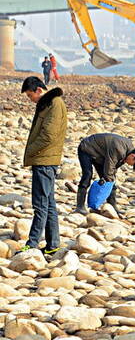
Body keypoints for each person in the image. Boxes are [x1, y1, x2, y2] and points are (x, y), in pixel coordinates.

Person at [20, 77, 68, 254]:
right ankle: (52, 245)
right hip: (44, 159)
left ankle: (32, 244)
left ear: (39, 90)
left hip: (44, 160)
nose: (31, 99)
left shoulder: (54, 104)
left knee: (40, 204)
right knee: (48, 204)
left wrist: (31, 151)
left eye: (31, 95)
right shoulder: (48, 104)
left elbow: (48, 135)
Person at [74, 133, 135, 215]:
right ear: (133, 156)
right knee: (87, 175)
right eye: (133, 163)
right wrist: (107, 181)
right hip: (86, 148)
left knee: (111, 180)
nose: (131, 165)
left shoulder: (127, 152)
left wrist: (109, 181)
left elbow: (112, 171)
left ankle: (112, 206)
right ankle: (80, 206)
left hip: (100, 155)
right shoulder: (119, 149)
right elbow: (110, 167)